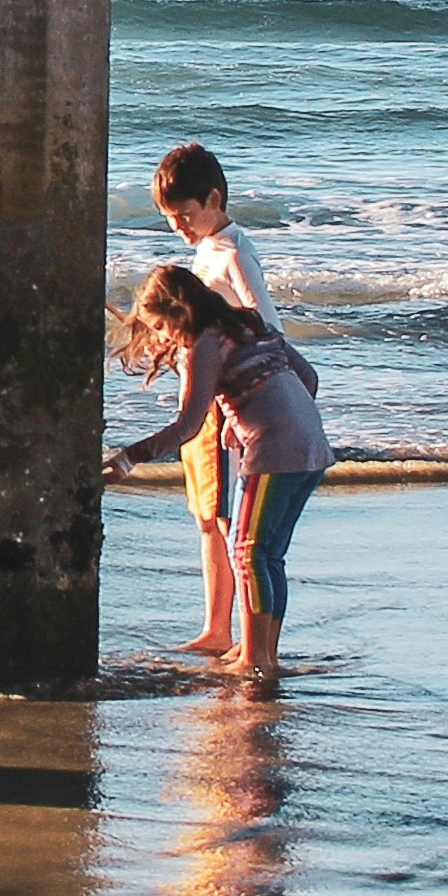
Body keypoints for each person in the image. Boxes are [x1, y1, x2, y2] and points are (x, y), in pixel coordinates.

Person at [109, 260, 330, 686]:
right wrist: (245, 413)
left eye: (160, 326)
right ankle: (261, 652)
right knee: (268, 555)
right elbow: (308, 377)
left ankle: (256, 659)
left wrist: (130, 456)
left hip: (274, 450)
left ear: (179, 312)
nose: (160, 337)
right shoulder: (248, 324)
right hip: (313, 445)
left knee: (247, 552)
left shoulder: (200, 346)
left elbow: (187, 425)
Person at [141, 142, 278, 658]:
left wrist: (249, 404)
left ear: (214, 199)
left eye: (184, 215)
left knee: (227, 518)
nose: (179, 227)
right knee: (205, 514)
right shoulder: (205, 250)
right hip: (204, 398)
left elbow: (265, 324)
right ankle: (214, 626)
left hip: (227, 405)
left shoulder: (235, 251)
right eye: (170, 219)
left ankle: (239, 635)